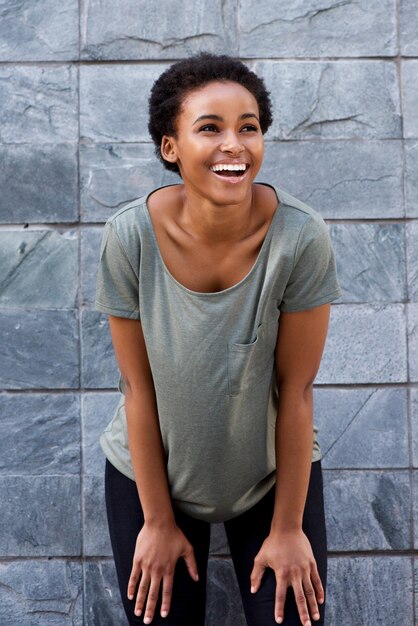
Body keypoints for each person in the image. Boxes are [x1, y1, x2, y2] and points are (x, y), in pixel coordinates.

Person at [95, 52, 342, 626]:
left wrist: (287, 530)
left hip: (269, 477)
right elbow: (137, 387)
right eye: (210, 127)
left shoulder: (300, 238)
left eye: (249, 127)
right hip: (151, 476)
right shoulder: (129, 237)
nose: (235, 144)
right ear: (170, 147)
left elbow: (298, 390)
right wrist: (157, 522)